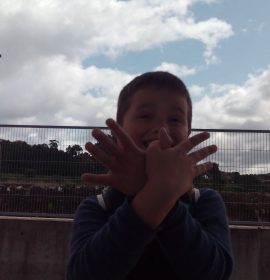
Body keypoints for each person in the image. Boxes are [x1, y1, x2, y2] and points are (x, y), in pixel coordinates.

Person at [67, 71, 233, 280]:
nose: (161, 129)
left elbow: (216, 273)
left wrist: (156, 194)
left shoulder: (204, 202)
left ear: (188, 132)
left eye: (175, 119)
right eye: (145, 116)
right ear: (119, 129)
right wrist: (159, 193)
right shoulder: (98, 207)